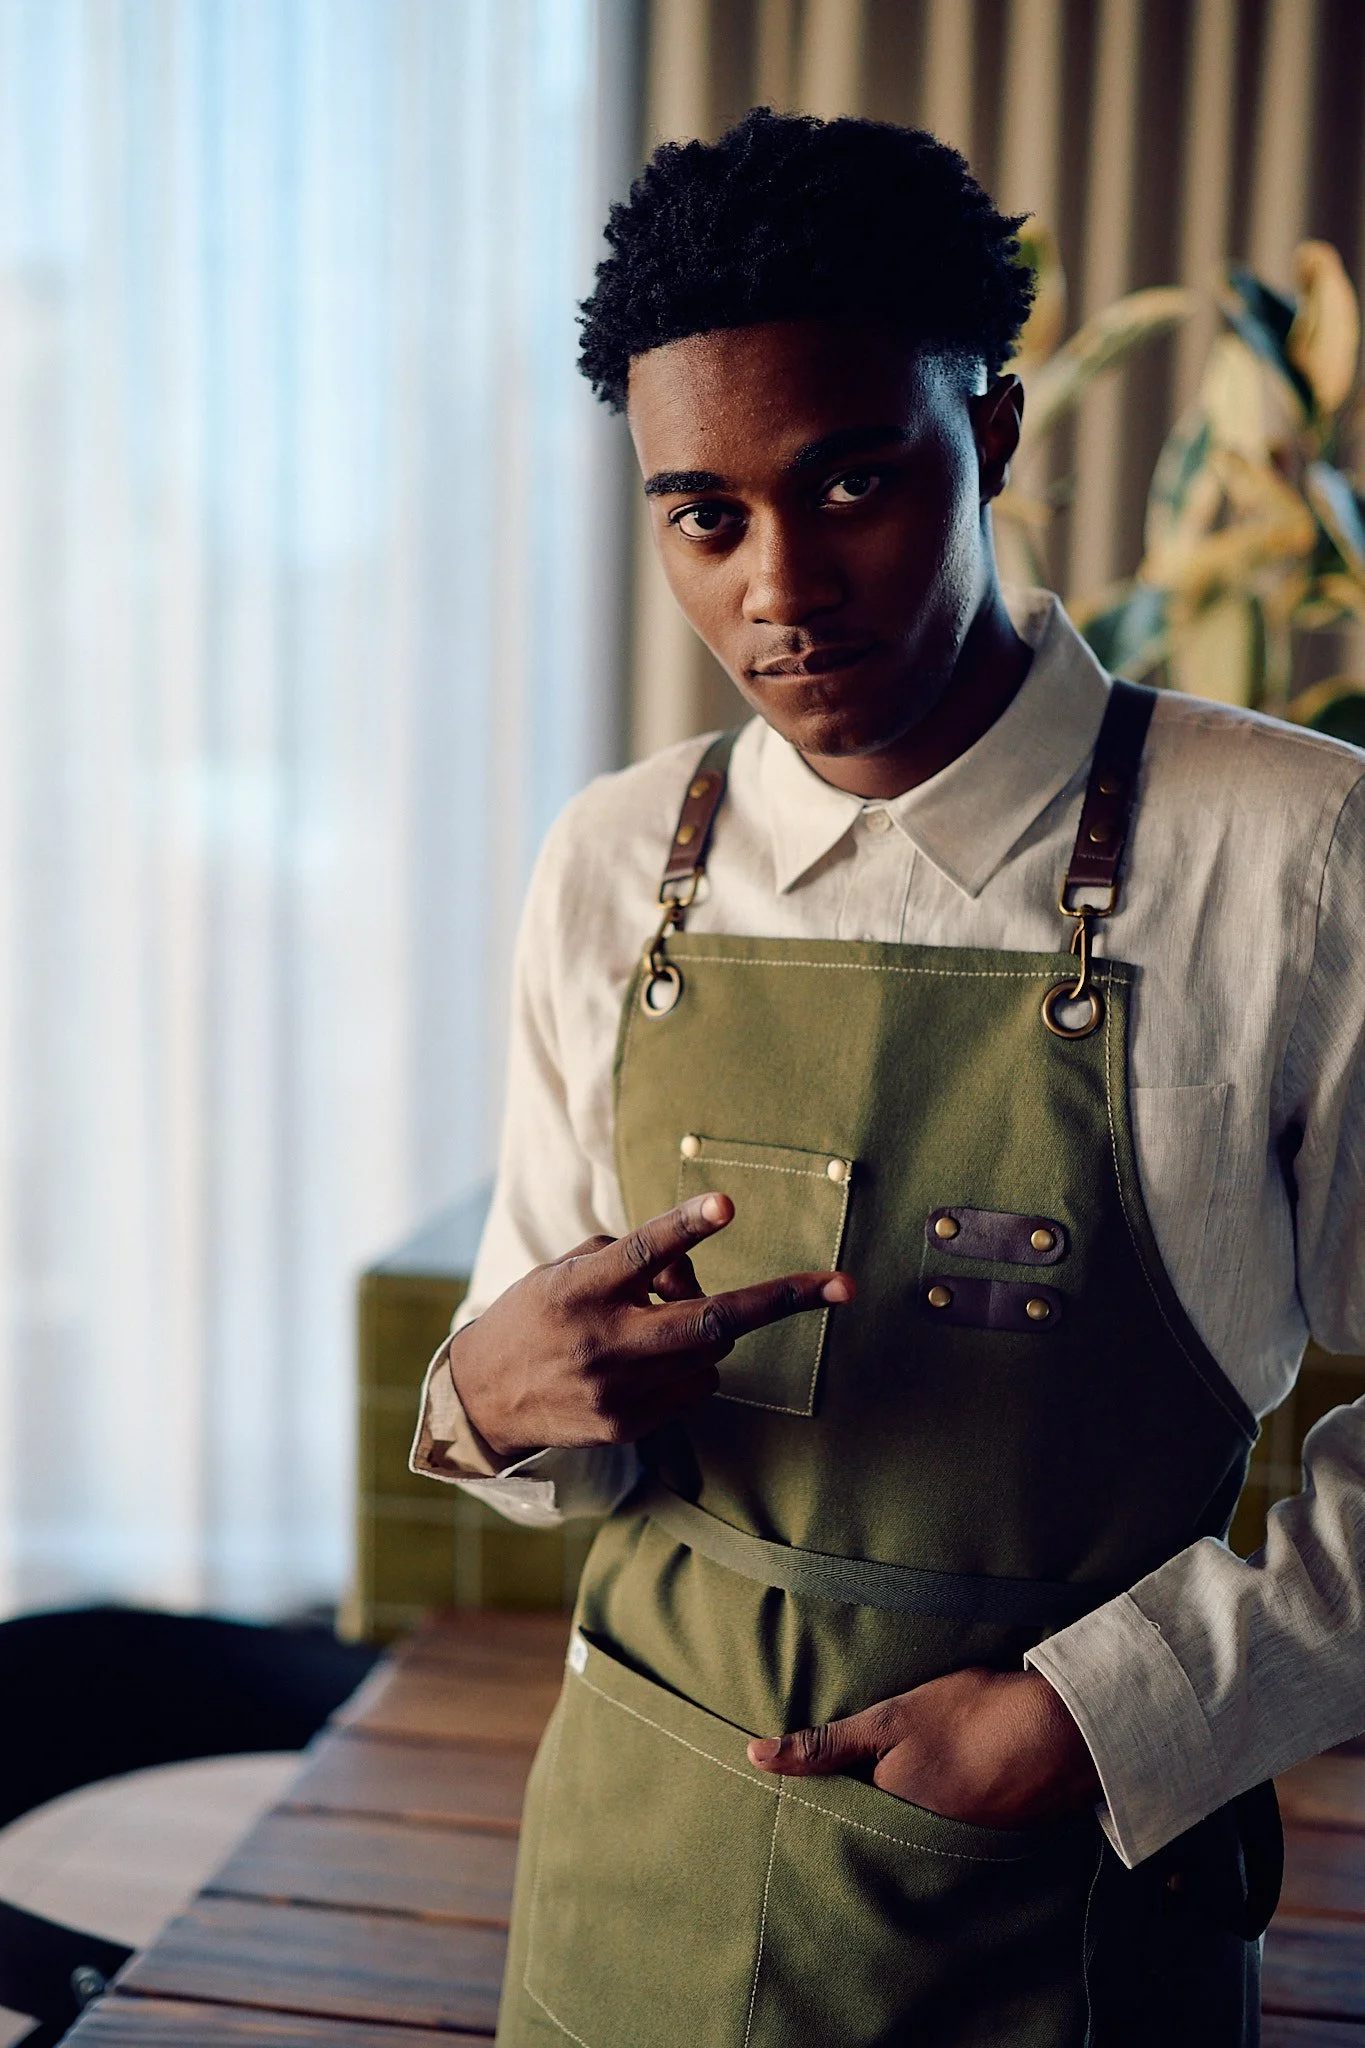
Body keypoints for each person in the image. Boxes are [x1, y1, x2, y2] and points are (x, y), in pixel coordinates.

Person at [411, 109, 1365, 2046]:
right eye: (704, 517)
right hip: (629, 1886)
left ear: (992, 433)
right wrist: (485, 1398)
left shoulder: (1291, 854)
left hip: (1047, 1917)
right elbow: (549, 1443)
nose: (781, 587)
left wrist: (1086, 1720)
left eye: (853, 481)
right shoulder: (612, 864)